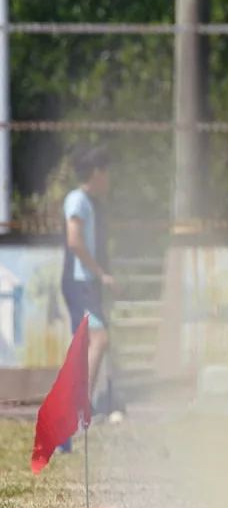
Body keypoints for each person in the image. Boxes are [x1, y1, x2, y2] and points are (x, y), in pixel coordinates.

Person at [61, 147, 114, 414]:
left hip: (87, 283)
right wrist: (100, 273)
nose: (109, 179)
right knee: (99, 338)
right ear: (96, 173)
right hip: (79, 282)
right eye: (106, 173)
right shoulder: (77, 200)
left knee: (86, 343)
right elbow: (75, 241)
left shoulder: (93, 203)